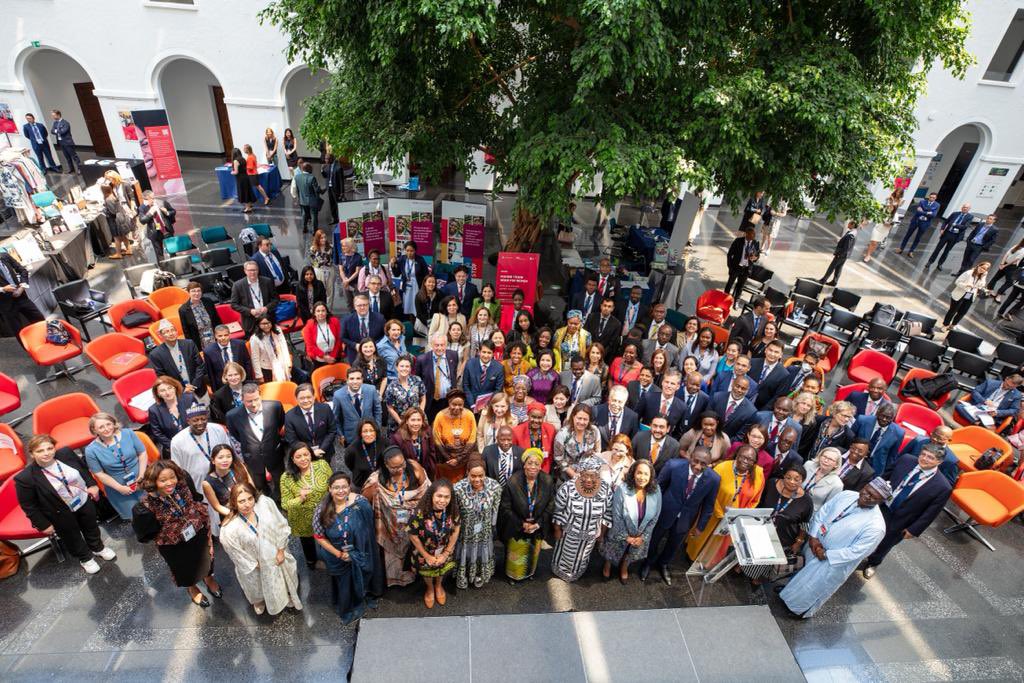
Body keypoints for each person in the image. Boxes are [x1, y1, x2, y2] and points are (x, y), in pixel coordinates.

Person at [779, 478, 888, 617]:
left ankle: (799, 611)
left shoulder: (876, 526)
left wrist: (826, 554)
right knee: (800, 573)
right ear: (865, 486)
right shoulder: (847, 494)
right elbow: (823, 512)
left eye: (873, 497)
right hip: (815, 545)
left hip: (831, 562)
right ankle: (788, 593)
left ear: (880, 502)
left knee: (812, 587)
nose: (867, 496)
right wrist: (813, 537)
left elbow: (858, 552)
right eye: (867, 491)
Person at [15, 435, 116, 574]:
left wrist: (92, 485)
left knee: (91, 526)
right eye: (40, 451)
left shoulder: (65, 453)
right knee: (72, 536)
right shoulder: (25, 478)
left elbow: (83, 469)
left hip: (83, 499)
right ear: (32, 454)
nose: (46, 453)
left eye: (49, 448)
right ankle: (85, 558)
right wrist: (43, 524)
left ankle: (98, 548)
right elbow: (29, 505)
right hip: (60, 512)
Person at [138, 460, 221, 606]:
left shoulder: (183, 482)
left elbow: (195, 497)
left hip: (198, 531)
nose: (170, 483)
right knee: (184, 569)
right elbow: (146, 534)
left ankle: (208, 579)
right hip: (174, 545)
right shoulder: (145, 506)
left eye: (172, 477)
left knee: (207, 558)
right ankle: (192, 588)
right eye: (163, 480)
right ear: (153, 481)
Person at [220, 482, 302, 616]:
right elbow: (236, 553)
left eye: (250, 499)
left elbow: (280, 524)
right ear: (234, 503)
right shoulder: (229, 528)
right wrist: (257, 565)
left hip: (276, 556)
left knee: (280, 581)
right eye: (241, 501)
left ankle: (285, 596)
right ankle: (259, 601)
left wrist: (281, 550)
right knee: (258, 587)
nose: (247, 504)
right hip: (255, 565)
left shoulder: (264, 504)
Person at [640, 446, 719, 584]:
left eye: (704, 464)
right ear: (690, 457)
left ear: (709, 464)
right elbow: (658, 488)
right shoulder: (673, 466)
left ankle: (663, 564)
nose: (698, 467)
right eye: (696, 461)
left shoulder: (714, 479)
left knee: (674, 544)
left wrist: (700, 526)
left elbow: (708, 505)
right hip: (664, 512)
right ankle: (648, 562)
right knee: (653, 540)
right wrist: (651, 511)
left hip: (687, 518)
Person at [314, 472, 378, 623]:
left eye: (344, 487)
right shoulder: (321, 510)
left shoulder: (360, 502)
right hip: (337, 555)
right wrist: (339, 554)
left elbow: (369, 525)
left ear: (349, 487)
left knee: (362, 576)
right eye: (336, 487)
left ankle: (361, 599)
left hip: (360, 551)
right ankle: (347, 609)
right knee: (344, 584)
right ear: (329, 489)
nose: (341, 491)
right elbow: (319, 537)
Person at [362, 446, 431, 586]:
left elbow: (425, 491)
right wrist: (373, 491)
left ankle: (414, 575)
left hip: (412, 521)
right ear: (386, 465)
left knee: (413, 548)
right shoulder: (377, 478)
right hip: (390, 525)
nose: (399, 469)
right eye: (394, 468)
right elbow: (363, 499)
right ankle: (396, 579)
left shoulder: (414, 468)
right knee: (392, 554)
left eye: (402, 465)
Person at [685, 445, 764, 566]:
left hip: (733, 520)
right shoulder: (722, 468)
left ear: (754, 462)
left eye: (750, 459)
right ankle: (691, 557)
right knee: (701, 537)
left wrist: (738, 517)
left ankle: (707, 562)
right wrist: (720, 514)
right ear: (736, 455)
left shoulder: (758, 475)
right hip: (713, 513)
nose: (745, 461)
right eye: (743, 457)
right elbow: (709, 493)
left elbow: (755, 499)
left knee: (719, 543)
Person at [169, 403, 233, 526]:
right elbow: (177, 469)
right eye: (195, 420)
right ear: (188, 421)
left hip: (223, 479)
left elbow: (229, 452)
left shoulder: (218, 429)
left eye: (203, 419)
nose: (200, 423)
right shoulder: (177, 441)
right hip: (198, 484)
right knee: (207, 512)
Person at [551, 457, 612, 582]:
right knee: (565, 554)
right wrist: (557, 529)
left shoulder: (606, 490)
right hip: (568, 534)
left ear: (598, 474)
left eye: (593, 475)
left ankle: (577, 573)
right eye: (585, 475)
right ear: (580, 473)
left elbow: (607, 514)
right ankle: (560, 571)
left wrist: (602, 534)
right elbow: (558, 510)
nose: (589, 479)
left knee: (582, 557)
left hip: (590, 535)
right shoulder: (567, 488)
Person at [498, 448, 555, 582]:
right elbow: (505, 508)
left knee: (533, 553)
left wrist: (538, 523)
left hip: (537, 526)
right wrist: (521, 523)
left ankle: (529, 573)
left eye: (536, 463)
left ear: (541, 466)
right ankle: (513, 576)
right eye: (530, 463)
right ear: (524, 464)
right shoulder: (513, 482)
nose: (533, 467)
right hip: (517, 526)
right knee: (516, 556)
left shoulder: (547, 481)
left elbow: (551, 505)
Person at [601, 459, 661, 583]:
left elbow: (656, 516)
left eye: (646, 474)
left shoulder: (656, 490)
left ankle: (624, 567)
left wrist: (643, 537)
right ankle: (608, 565)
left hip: (640, 534)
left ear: (650, 477)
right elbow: (616, 516)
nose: (642, 477)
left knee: (630, 554)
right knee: (612, 552)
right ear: (633, 473)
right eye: (639, 473)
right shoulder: (622, 489)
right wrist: (626, 537)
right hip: (620, 531)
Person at [408, 478, 462, 607]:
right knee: (428, 571)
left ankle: (438, 586)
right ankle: (430, 588)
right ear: (431, 495)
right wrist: (427, 556)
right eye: (439, 496)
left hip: (444, 549)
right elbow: (412, 535)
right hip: (424, 552)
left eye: (446, 497)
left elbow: (456, 529)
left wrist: (446, 553)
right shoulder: (419, 513)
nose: (442, 501)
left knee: (441, 569)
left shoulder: (452, 510)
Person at [756, 463, 814, 582]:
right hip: (761, 530)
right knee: (754, 554)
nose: (792, 482)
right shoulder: (772, 484)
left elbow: (805, 524)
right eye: (788, 477)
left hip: (782, 539)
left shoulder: (806, 501)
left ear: (802, 480)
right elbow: (760, 503)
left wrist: (798, 542)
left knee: (767, 562)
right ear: (783, 476)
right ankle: (743, 571)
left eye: (796, 479)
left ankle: (757, 579)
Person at [84, 413, 147, 520]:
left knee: (155, 508)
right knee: (137, 518)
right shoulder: (91, 450)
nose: (106, 429)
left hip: (142, 477)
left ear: (113, 423)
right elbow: (99, 474)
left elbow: (142, 453)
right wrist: (120, 488)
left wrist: (141, 476)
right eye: (101, 427)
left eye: (108, 424)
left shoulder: (128, 433)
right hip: (118, 487)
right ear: (94, 430)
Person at [279, 442, 332, 568]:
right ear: (292, 459)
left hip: (324, 512)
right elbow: (285, 504)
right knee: (308, 542)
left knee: (327, 536)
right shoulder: (286, 477)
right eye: (298, 457)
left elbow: (332, 484)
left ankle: (331, 556)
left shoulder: (322, 465)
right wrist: (299, 498)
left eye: (306, 455)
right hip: (302, 517)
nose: (303, 459)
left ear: (310, 454)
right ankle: (312, 562)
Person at [226, 383, 287, 493]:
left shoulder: (275, 407)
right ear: (242, 399)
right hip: (252, 457)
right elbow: (237, 435)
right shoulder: (232, 416)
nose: (254, 404)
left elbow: (280, 423)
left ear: (260, 395)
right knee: (260, 485)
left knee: (281, 482)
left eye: (256, 399)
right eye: (249, 401)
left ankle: (280, 502)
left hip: (274, 453)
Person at [453, 456, 502, 589]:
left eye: (481, 475)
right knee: (466, 551)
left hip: (484, 529)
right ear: (467, 473)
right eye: (473, 476)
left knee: (482, 551)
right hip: (465, 531)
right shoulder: (458, 489)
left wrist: (492, 526)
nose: (477, 479)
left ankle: (479, 574)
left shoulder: (495, 487)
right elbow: (455, 513)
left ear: (485, 473)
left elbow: (495, 509)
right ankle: (464, 575)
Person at [149, 319, 207, 397]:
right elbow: (163, 377)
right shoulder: (155, 354)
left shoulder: (189, 344)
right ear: (161, 336)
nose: (171, 333)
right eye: (166, 332)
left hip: (199, 387)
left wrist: (194, 385)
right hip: (178, 392)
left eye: (172, 330)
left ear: (176, 332)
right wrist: (182, 389)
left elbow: (200, 365)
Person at [284, 383, 340, 462]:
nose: (306, 401)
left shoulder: (325, 409)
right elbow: (292, 440)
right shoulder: (289, 416)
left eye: (308, 397)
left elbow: (332, 430)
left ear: (314, 397)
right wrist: (309, 452)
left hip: (325, 450)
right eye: (302, 398)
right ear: (296, 399)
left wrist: (322, 449)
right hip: (304, 456)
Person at [201, 444, 254, 525]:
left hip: (250, 507)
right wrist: (237, 514)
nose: (225, 460)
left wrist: (250, 506)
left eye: (228, 456)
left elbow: (251, 486)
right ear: (213, 460)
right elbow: (217, 506)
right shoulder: (208, 482)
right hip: (232, 516)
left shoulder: (239, 467)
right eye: (220, 457)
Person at [432, 389, 477, 482]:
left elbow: (472, 440)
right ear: (449, 403)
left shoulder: (469, 415)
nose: (457, 407)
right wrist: (449, 459)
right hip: (446, 461)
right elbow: (437, 440)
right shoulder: (440, 416)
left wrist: (458, 459)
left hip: (465, 460)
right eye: (454, 404)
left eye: (460, 405)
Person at [331, 367, 383, 445]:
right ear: (347, 380)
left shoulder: (371, 390)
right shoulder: (338, 395)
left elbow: (377, 410)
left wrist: (377, 428)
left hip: (370, 432)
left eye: (358, 378)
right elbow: (336, 418)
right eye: (352, 379)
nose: (355, 382)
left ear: (362, 379)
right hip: (351, 435)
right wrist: (341, 435)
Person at [148, 376, 197, 455]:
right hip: (174, 447)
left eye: (169, 388)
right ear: (158, 394)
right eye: (162, 391)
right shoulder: (154, 411)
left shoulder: (189, 399)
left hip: (195, 439)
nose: (167, 392)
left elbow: (200, 419)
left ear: (175, 387)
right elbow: (158, 434)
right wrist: (174, 446)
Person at [0, 249, 44, 336]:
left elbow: (23, 270)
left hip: (21, 297)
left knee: (40, 319)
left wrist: (22, 287)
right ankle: (29, 348)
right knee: (19, 331)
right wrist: (3, 289)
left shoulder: (5, 256)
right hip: (6, 303)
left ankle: (50, 340)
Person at [552, 404, 602, 481]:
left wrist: (589, 472)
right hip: (567, 474)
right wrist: (574, 475)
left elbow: (597, 451)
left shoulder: (594, 431)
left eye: (585, 419)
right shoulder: (563, 434)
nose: (582, 422)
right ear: (573, 417)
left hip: (589, 473)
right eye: (579, 418)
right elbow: (559, 459)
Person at [418, 333, 462, 420]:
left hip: (448, 400)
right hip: (430, 401)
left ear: (446, 345)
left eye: (442, 345)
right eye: (436, 345)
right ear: (431, 345)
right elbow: (418, 381)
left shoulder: (453, 355)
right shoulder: (422, 359)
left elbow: (453, 374)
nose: (439, 348)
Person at [854, 402, 905, 476]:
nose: (884, 419)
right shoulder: (862, 420)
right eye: (883, 416)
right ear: (877, 413)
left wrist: (884, 474)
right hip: (855, 457)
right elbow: (850, 439)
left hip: (875, 468)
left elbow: (891, 456)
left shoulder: (899, 433)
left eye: (888, 418)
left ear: (893, 418)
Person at [939, 261, 990, 332]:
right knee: (953, 311)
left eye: (985, 269)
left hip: (969, 295)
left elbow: (981, 285)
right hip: (960, 293)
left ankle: (953, 325)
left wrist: (984, 276)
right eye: (982, 267)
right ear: (978, 265)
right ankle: (945, 325)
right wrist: (966, 285)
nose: (982, 270)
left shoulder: (982, 276)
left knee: (962, 312)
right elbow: (957, 282)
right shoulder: (968, 273)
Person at [231, 260, 279, 336]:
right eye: (250, 270)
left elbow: (276, 299)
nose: (252, 272)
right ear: (245, 271)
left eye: (254, 270)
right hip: (250, 322)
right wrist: (250, 311)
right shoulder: (238, 285)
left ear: (258, 270)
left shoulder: (267, 281)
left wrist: (266, 308)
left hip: (268, 319)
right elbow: (234, 304)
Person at [954, 373, 1023, 426]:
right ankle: (976, 423)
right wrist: (984, 400)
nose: (1007, 387)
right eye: (1007, 384)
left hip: (993, 414)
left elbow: (1015, 410)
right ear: (1006, 379)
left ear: (1016, 386)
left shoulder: (1017, 395)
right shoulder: (990, 383)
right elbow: (975, 391)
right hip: (979, 406)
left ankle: (976, 422)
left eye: (1010, 387)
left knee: (991, 421)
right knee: (959, 406)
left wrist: (998, 412)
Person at [382, 355, 427, 435]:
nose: (404, 368)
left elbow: (423, 398)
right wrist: (401, 423)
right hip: (399, 422)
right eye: (402, 366)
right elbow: (390, 408)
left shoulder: (417, 380)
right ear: (397, 367)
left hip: (417, 420)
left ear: (410, 368)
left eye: (407, 366)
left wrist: (420, 414)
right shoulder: (391, 386)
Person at [926, 202, 974, 270]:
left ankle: (940, 264)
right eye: (964, 207)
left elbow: (965, 227)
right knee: (938, 249)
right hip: (947, 233)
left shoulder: (970, 217)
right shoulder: (955, 213)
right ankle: (930, 262)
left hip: (955, 236)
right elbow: (946, 221)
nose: (964, 208)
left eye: (966, 208)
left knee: (947, 251)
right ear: (962, 207)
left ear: (969, 209)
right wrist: (942, 229)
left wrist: (955, 225)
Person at [512, 402, 557, 472]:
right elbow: (515, 457)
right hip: (523, 469)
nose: (536, 420)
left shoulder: (550, 430)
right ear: (528, 415)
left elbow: (551, 455)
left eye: (539, 418)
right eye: (533, 417)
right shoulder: (517, 431)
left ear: (544, 417)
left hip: (544, 469)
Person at [177, 281, 221, 351]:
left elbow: (217, 319)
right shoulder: (183, 310)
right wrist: (191, 346)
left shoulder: (208, 302)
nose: (196, 293)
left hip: (214, 337)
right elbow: (186, 331)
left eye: (198, 291)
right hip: (199, 341)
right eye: (193, 291)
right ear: (188, 292)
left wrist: (221, 334)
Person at [344, 419, 387, 489]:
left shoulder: (384, 443)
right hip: (360, 486)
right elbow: (349, 464)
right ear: (360, 433)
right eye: (365, 431)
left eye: (371, 430)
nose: (368, 434)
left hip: (382, 483)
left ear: (376, 431)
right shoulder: (352, 449)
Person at [341, 295, 385, 363]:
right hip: (355, 354)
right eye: (359, 305)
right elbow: (343, 337)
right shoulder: (347, 320)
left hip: (375, 353)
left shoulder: (379, 318)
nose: (362, 307)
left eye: (365, 305)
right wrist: (354, 345)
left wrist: (373, 345)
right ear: (355, 306)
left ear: (369, 305)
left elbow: (384, 336)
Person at [863, 187, 902, 263]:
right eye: (889, 204)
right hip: (878, 227)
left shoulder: (895, 215)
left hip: (884, 230)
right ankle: (868, 255)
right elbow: (875, 216)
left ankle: (869, 254)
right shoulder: (883, 210)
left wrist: (889, 224)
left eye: (891, 205)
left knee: (875, 243)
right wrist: (867, 222)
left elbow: (894, 224)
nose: (889, 206)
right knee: (873, 241)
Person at [462, 340, 505, 409]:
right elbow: (466, 386)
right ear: (479, 352)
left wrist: (487, 404)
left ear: (493, 353)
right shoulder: (469, 364)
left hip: (489, 406)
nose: (486, 355)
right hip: (471, 404)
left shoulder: (499, 368)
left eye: (489, 353)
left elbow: (498, 389)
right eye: (484, 352)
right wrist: (472, 404)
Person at [249, 316, 293, 382]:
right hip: (267, 368)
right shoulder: (254, 339)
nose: (266, 325)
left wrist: (288, 363)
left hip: (281, 363)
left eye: (268, 323)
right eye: (263, 324)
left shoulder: (277, 330)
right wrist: (259, 376)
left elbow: (284, 346)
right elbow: (255, 358)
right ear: (258, 325)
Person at [896, 192, 940, 258]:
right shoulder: (922, 202)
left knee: (918, 238)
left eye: (933, 198)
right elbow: (918, 211)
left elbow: (933, 215)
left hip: (925, 223)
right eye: (931, 197)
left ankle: (911, 251)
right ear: (929, 196)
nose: (931, 199)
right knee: (908, 235)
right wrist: (928, 212)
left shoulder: (937, 205)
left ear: (935, 198)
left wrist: (923, 211)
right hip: (916, 221)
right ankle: (901, 248)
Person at [137, 190, 176, 261]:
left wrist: (167, 212)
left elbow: (173, 211)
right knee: (159, 254)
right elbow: (142, 221)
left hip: (166, 229)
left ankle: (176, 264)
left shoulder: (161, 202)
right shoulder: (142, 207)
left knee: (172, 251)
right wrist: (150, 213)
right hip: (155, 233)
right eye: (145, 200)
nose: (153, 200)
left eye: (153, 198)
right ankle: (163, 269)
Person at [802, 447, 845, 512]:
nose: (826, 460)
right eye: (824, 456)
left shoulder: (837, 485)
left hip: (809, 513)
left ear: (836, 464)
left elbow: (827, 508)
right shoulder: (808, 465)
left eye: (830, 459)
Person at [394, 241, 429, 320]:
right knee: (408, 306)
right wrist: (393, 266)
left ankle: (417, 322)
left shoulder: (420, 259)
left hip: (417, 286)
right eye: (407, 250)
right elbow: (396, 274)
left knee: (416, 305)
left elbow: (426, 275)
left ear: (415, 251)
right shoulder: (402, 259)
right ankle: (410, 322)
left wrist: (425, 288)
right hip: (407, 287)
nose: (409, 253)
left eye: (411, 251)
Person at [818, 220, 858, 286]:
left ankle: (824, 280)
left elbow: (846, 247)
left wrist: (839, 254)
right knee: (839, 268)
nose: (847, 225)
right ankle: (834, 281)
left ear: (853, 225)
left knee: (832, 267)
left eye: (849, 224)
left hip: (841, 255)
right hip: (845, 255)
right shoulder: (853, 233)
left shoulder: (851, 235)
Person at [725, 226, 760, 302]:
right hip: (736, 267)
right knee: (730, 284)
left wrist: (755, 258)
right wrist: (730, 266)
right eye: (750, 236)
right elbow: (729, 254)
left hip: (746, 269)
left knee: (740, 286)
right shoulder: (738, 241)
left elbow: (757, 255)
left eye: (753, 236)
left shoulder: (756, 243)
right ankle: (724, 298)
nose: (752, 238)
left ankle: (736, 300)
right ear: (746, 234)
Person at [307, 235, 335, 312]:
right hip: (319, 270)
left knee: (330, 291)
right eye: (321, 238)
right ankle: (320, 310)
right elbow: (312, 261)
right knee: (320, 291)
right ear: (317, 239)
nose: (324, 239)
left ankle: (329, 311)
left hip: (329, 270)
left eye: (325, 237)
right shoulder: (313, 249)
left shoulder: (330, 247)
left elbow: (334, 259)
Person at [335, 237, 363, 311]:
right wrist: (344, 280)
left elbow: (357, 272)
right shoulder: (342, 256)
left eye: (345, 246)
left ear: (350, 246)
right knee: (349, 302)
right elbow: (341, 270)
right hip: (345, 283)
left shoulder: (358, 257)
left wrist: (348, 280)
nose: (343, 247)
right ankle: (352, 316)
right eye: (342, 246)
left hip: (355, 283)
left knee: (358, 301)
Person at [295, 162, 323, 232]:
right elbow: (316, 190)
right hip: (312, 201)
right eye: (311, 168)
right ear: (308, 169)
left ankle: (304, 228)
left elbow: (297, 190)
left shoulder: (297, 177)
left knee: (304, 215)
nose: (312, 169)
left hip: (302, 200)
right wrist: (322, 189)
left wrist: (299, 198)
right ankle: (314, 231)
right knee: (314, 216)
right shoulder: (312, 178)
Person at [321, 154, 345, 224]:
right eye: (325, 159)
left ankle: (341, 219)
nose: (326, 160)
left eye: (327, 159)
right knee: (332, 204)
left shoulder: (338, 167)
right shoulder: (327, 166)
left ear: (332, 159)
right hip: (330, 188)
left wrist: (342, 192)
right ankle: (334, 219)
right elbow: (325, 176)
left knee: (338, 204)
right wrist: (322, 170)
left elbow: (341, 181)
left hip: (336, 189)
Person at [231, 147, 256, 212]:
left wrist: (232, 172)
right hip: (246, 177)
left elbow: (236, 172)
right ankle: (250, 205)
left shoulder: (236, 161)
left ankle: (247, 208)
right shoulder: (243, 159)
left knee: (244, 192)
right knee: (247, 191)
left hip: (241, 179)